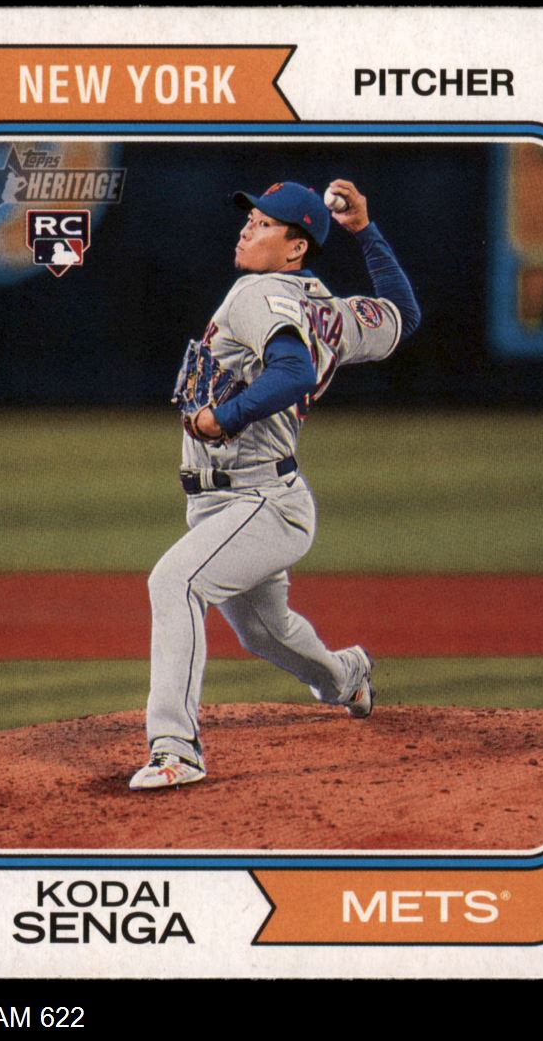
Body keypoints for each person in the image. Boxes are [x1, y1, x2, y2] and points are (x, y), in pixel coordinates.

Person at [129, 178, 421, 790]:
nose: (247, 229)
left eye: (264, 224)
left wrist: (225, 417)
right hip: (246, 499)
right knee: (266, 631)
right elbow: (403, 313)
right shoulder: (331, 312)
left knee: (175, 582)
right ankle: (346, 676)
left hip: (258, 499)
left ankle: (175, 749)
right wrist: (365, 231)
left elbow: (292, 371)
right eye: (250, 218)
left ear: (295, 248)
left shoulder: (256, 292)